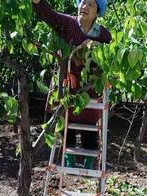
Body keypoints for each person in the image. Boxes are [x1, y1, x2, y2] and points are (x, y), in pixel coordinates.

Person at [32, 0, 111, 169]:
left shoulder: (103, 35)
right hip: (67, 85)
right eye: (83, 2)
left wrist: (97, 48)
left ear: (98, 12)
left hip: (89, 90)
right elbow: (49, 15)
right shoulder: (67, 23)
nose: (84, 7)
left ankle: (89, 163)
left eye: (91, 5)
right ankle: (69, 158)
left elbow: (111, 56)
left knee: (89, 125)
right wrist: (37, 2)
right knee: (66, 123)